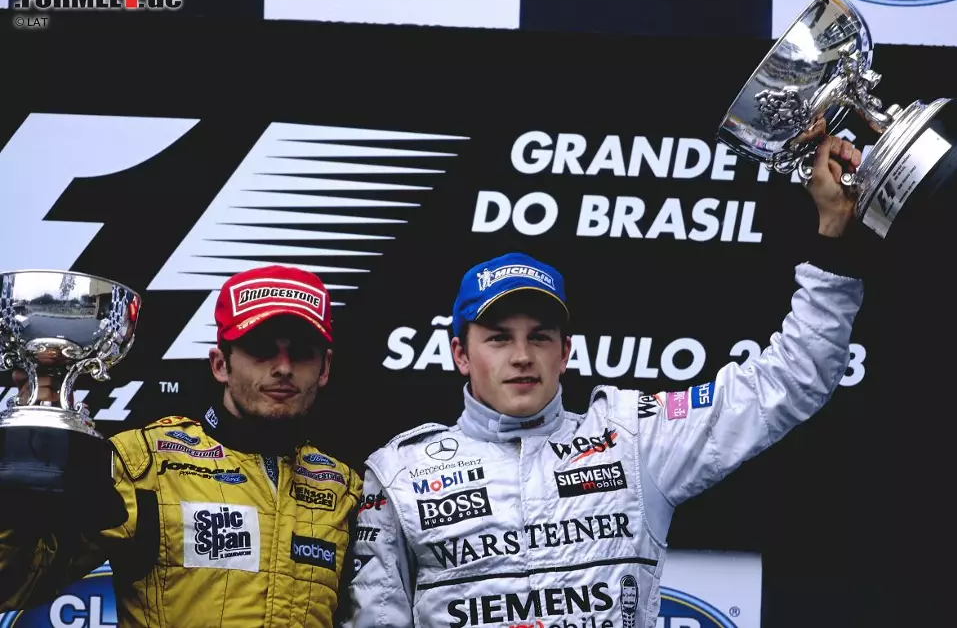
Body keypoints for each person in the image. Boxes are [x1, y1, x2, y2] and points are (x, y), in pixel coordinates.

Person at [342, 135, 865, 627]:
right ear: (460, 353)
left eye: (540, 337)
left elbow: (792, 377)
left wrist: (833, 234)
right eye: (499, 338)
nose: (522, 356)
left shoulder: (632, 439)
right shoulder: (399, 474)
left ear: (566, 351)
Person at [0, 265, 363, 628]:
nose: (283, 368)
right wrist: (22, 468)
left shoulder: (342, 487)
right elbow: (9, 585)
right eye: (261, 349)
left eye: (301, 352)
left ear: (325, 368)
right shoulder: (143, 464)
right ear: (221, 364)